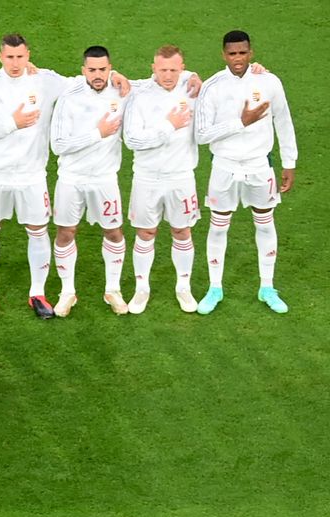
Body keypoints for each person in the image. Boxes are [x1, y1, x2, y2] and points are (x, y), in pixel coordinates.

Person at [0, 35, 126, 319]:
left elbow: (86, 79)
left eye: (20, 57)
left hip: (32, 174)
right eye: (9, 57)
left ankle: (37, 293)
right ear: (0, 56)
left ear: (28, 54)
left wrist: (115, 75)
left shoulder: (46, 81)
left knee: (38, 230)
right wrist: (11, 123)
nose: (15, 63)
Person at [195, 30, 296, 315]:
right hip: (224, 167)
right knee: (218, 226)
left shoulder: (269, 82)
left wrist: (289, 162)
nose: (237, 59)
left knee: (264, 223)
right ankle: (215, 288)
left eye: (242, 53)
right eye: (232, 53)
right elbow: (201, 135)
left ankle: (267, 287)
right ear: (223, 54)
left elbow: (284, 121)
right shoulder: (212, 87)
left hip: (258, 165)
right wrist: (241, 123)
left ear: (250, 52)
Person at [123, 47, 208, 315]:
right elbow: (132, 139)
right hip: (147, 178)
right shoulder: (140, 96)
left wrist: (195, 75)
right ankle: (141, 288)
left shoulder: (193, 90)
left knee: (182, 231)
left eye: (174, 70)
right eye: (163, 70)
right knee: (145, 233)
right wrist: (169, 126)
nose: (168, 75)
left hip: (181, 177)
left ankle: (183, 287)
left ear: (182, 68)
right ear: (153, 68)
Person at [48, 46, 128, 318]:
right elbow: (58, 145)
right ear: (83, 70)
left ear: (110, 68)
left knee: (114, 232)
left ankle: (113, 290)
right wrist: (98, 133)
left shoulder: (121, 92)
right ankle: (67, 292)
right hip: (71, 179)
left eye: (103, 69)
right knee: (65, 232)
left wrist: (193, 78)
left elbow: (161, 79)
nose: (97, 75)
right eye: (92, 70)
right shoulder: (68, 98)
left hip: (105, 179)